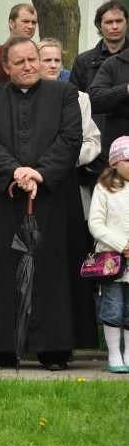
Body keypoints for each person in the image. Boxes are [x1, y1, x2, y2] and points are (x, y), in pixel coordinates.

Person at [0, 35, 98, 370]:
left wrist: (39, 174)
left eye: (33, 59)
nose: (29, 66)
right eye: (20, 62)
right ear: (7, 67)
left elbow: (71, 138)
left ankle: (54, 348)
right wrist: (15, 171)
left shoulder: (66, 94)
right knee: (2, 268)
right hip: (4, 198)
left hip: (54, 198)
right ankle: (1, 345)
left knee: (54, 269)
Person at [38, 38, 101, 213]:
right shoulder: (26, 97)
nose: (53, 65)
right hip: (35, 178)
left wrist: (68, 157)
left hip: (70, 178)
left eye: (57, 60)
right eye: (47, 60)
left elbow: (93, 140)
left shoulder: (80, 98)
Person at [70, 0, 128, 185]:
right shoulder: (84, 61)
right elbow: (75, 104)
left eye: (119, 21)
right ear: (99, 26)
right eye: (109, 22)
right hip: (98, 143)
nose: (115, 26)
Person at [87, 136, 129, 373]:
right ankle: (114, 354)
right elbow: (96, 224)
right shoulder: (104, 188)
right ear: (114, 162)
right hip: (112, 261)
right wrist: (121, 245)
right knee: (112, 307)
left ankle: (128, 353)